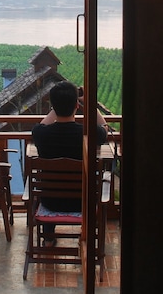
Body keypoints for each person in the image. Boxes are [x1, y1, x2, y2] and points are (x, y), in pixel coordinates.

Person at [30, 81, 108, 242]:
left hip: (50, 202)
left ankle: (48, 239)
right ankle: (87, 237)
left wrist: (58, 105)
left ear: (53, 106)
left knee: (51, 183)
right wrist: (89, 102)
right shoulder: (88, 133)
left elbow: (42, 124)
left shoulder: (40, 134)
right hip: (83, 201)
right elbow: (104, 128)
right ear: (77, 106)